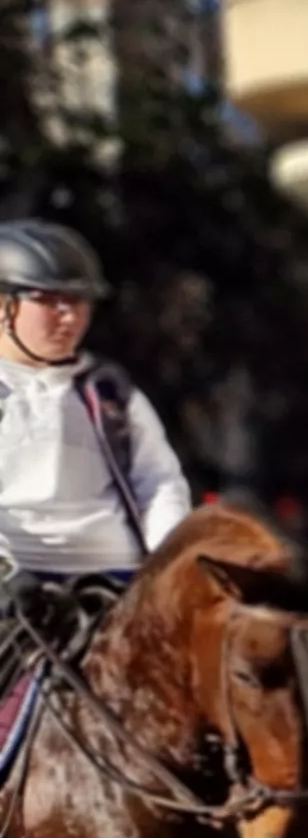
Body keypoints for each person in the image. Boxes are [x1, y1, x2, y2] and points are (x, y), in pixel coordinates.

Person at [0, 219, 191, 625]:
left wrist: (168, 562)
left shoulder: (109, 392)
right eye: (49, 301)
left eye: (79, 301)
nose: (69, 317)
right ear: (3, 306)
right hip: (17, 580)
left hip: (116, 580)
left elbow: (158, 481)